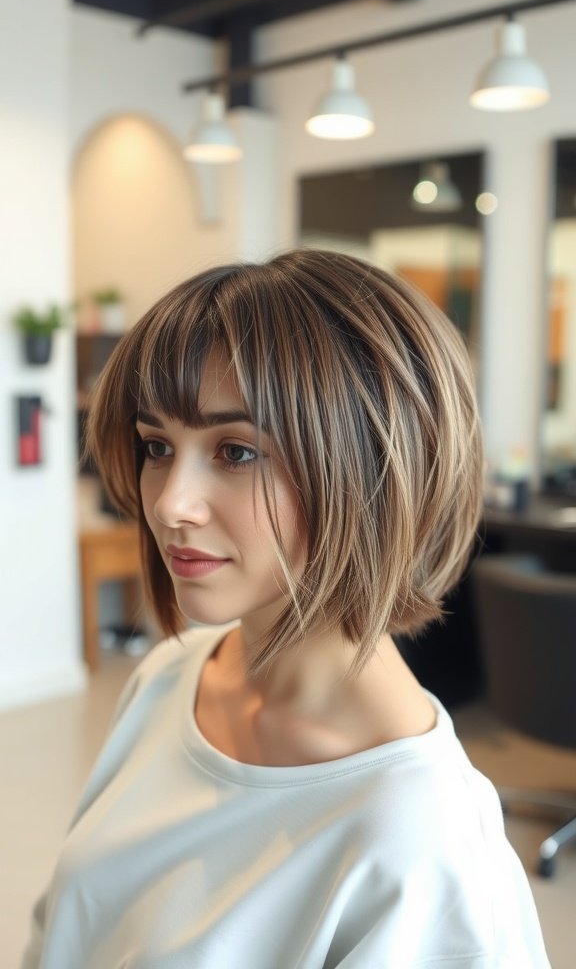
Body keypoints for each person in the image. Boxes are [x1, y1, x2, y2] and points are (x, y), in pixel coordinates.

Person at [22, 249, 550, 968]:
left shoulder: (426, 845)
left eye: (236, 452)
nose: (171, 503)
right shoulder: (169, 676)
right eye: (157, 446)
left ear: (369, 468)